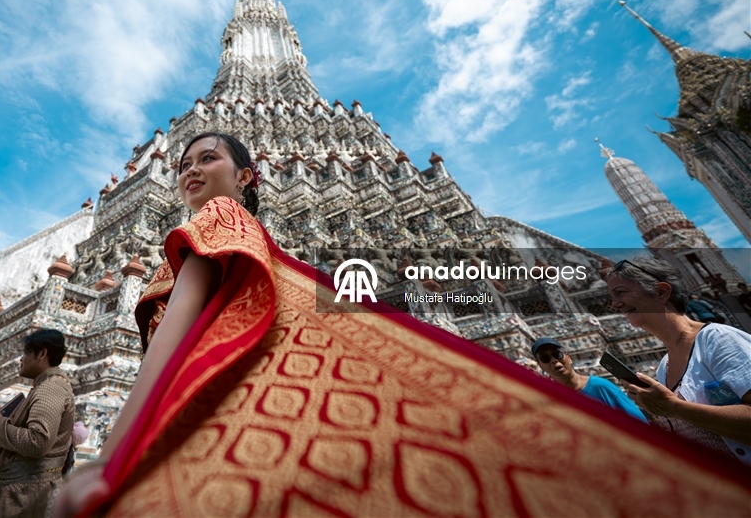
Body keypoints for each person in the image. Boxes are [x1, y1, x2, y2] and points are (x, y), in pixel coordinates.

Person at [53, 133, 751, 518]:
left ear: (247, 173)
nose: (190, 171)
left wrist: (113, 457)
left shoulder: (218, 225)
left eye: (206, 157)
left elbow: (169, 348)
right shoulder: (263, 242)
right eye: (184, 163)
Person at [607, 258, 751, 464]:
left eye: (620, 292)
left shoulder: (718, 340)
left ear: (661, 292)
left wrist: (673, 408)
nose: (615, 304)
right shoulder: (664, 368)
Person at [0, 329, 74, 518]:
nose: (21, 359)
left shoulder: (50, 388)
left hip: (25, 496)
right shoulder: (47, 386)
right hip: (22, 490)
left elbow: (38, 441)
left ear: (42, 354)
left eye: (26, 353)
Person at [531, 337, 646, 421]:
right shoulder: (547, 401)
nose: (553, 360)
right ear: (541, 366)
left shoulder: (602, 387)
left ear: (569, 358)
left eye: (557, 354)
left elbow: (640, 424)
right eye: (545, 358)